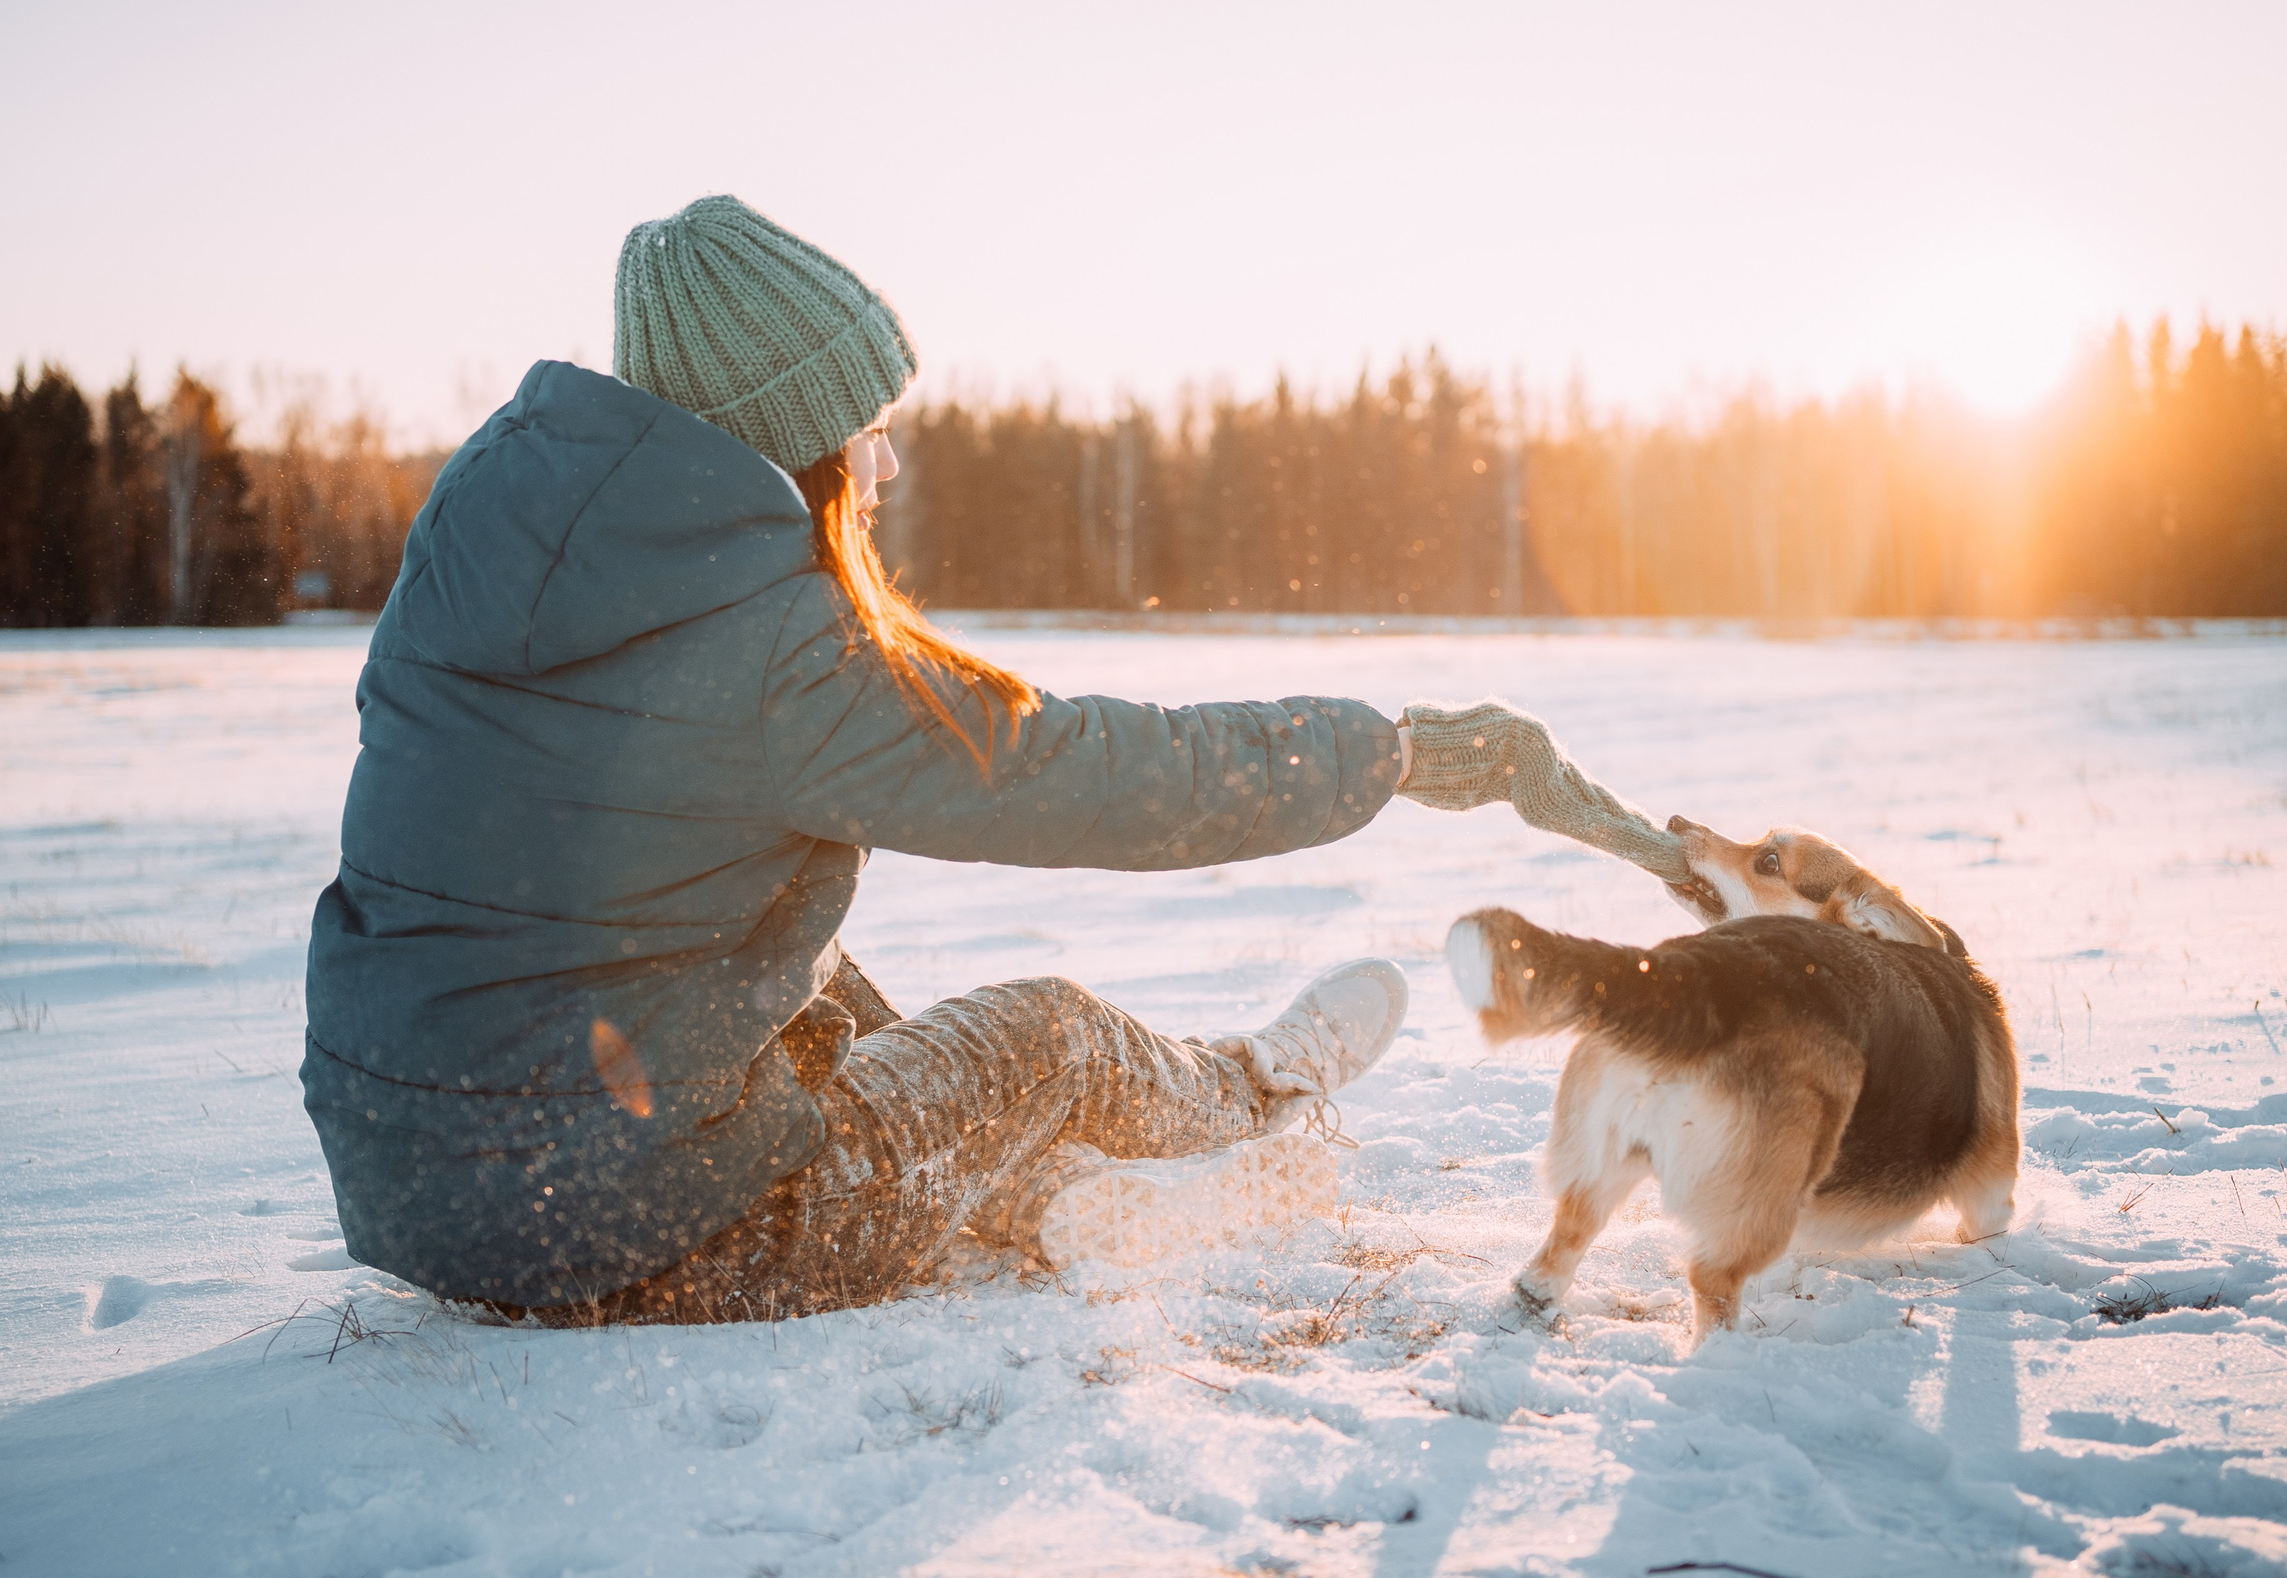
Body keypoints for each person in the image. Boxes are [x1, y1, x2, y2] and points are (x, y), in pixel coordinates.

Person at [300, 195, 1686, 1325]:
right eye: (866, 427)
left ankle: (1049, 1181)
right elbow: (1068, 772)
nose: (885, 465)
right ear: (792, 441)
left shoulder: (478, 558)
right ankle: (1251, 1106)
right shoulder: (767, 646)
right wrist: (1377, 754)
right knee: (1047, 1035)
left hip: (416, 1181)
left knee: (796, 968)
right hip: (625, 1233)